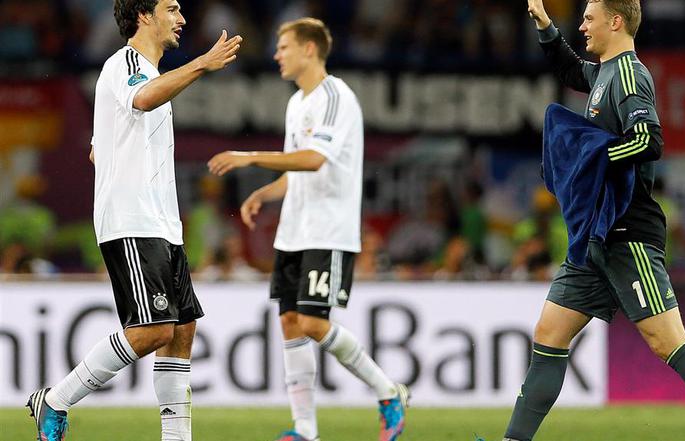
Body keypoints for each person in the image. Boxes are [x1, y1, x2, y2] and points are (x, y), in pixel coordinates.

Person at [498, 2, 685, 441]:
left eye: (589, 18)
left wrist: (594, 158)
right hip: (596, 235)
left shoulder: (629, 74)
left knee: (669, 342)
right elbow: (571, 71)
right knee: (549, 332)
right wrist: (545, 25)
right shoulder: (604, 73)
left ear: (616, 21)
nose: (582, 25)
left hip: (627, 234)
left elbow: (648, 140)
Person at [26, 1, 242, 440]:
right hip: (132, 221)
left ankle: (176, 437)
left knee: (182, 329)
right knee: (152, 330)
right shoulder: (126, 63)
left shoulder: (142, 74)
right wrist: (201, 63)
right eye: (172, 8)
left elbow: (101, 142)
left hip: (162, 223)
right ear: (145, 15)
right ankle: (54, 400)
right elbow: (141, 98)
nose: (182, 19)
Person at [207, 17, 408, 441]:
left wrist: (249, 157)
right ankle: (305, 431)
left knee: (315, 323)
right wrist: (265, 192)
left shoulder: (335, 97)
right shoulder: (296, 103)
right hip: (294, 231)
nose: (277, 54)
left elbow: (316, 159)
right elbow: (295, 168)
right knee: (291, 325)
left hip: (328, 230)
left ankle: (387, 392)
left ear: (310, 49)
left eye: (284, 47)